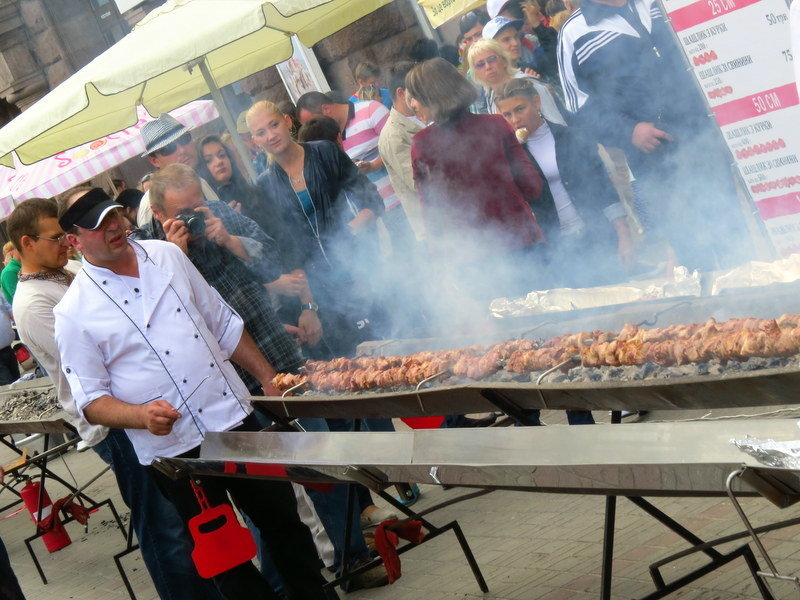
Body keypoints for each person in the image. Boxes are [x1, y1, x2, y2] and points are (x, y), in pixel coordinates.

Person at [53, 188, 331, 600]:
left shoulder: (166, 255)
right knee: (224, 555)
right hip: (175, 450)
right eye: (97, 225)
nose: (113, 226)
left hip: (232, 416)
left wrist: (268, 377)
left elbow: (222, 323)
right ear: (73, 241)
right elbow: (91, 401)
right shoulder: (73, 312)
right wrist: (141, 415)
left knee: (284, 521)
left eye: (113, 215)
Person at [7, 194, 222, 600]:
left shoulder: (65, 269)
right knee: (162, 525)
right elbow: (95, 361)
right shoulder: (32, 302)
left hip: (148, 412)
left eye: (66, 236)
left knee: (184, 514)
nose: (65, 244)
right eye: (54, 238)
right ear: (26, 243)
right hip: (114, 424)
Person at [557, 0, 751, 270]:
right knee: (690, 245)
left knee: (733, 230)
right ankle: (715, 307)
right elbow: (579, 107)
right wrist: (628, 130)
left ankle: (756, 301)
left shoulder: (661, 3)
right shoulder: (573, 32)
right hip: (652, 157)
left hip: (702, 138)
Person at [247, 99, 384, 357]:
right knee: (352, 362)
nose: (271, 135)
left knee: (390, 343)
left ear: (288, 122)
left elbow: (372, 200)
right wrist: (308, 305)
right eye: (261, 132)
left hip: (361, 270)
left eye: (273, 124)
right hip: (321, 290)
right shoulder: (264, 187)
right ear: (255, 141)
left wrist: (349, 233)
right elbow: (286, 251)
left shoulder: (324, 152)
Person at [406, 57, 547, 299]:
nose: (414, 105)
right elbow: (532, 186)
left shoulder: (422, 144)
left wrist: (441, 267)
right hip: (523, 245)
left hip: (473, 260)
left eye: (417, 96)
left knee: (506, 335)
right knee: (552, 327)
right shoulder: (496, 124)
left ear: (430, 98)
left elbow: (432, 215)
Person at [495, 77, 634, 285]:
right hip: (555, 248)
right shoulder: (512, 154)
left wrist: (624, 236)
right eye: (507, 114)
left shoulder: (571, 137)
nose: (515, 119)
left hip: (595, 235)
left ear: (536, 102)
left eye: (520, 109)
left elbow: (603, 188)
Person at [195, 135, 325, 349]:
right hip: (255, 323)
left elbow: (289, 246)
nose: (218, 162)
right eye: (208, 160)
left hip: (291, 303)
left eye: (222, 155)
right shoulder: (205, 219)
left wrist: (308, 306)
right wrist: (269, 281)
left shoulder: (255, 195)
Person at [295, 91, 416, 258]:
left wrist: (374, 165)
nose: (311, 126)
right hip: (377, 224)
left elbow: (402, 145)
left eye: (311, 121)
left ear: (326, 109)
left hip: (401, 201)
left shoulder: (371, 110)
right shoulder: (324, 178)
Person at [135, 113, 220, 227]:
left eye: (184, 139)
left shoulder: (200, 182)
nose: (182, 150)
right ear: (154, 160)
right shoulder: (149, 202)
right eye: (168, 149)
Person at [378, 61, 426, 242]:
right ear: (401, 93)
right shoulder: (393, 135)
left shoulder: (427, 113)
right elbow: (418, 182)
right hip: (432, 227)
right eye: (417, 87)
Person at [468, 38, 565, 125]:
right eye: (480, 64)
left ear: (504, 61)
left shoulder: (528, 83)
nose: (488, 67)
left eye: (492, 59)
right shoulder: (490, 99)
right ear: (476, 73)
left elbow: (557, 121)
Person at [489, 0, 560, 81]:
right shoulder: (493, 74)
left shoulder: (532, 41)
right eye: (506, 39)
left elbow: (555, 60)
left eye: (521, 11)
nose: (515, 43)